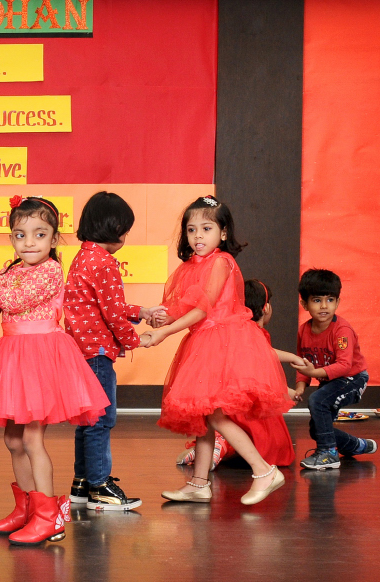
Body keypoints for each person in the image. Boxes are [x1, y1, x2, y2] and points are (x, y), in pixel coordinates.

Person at [0, 196, 110, 545]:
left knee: (31, 437)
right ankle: (27, 507)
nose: (29, 242)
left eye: (39, 234)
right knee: (13, 438)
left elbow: (12, 302)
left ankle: (50, 516)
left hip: (39, 357)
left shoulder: (51, 270)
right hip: (13, 355)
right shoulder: (12, 270)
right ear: (11, 237)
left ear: (54, 239)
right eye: (20, 234)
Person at [143, 196, 292, 506]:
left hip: (222, 342)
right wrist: (161, 316)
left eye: (207, 228)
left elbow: (203, 308)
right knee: (204, 414)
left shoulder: (222, 261)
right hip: (204, 342)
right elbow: (182, 305)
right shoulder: (191, 267)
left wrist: (164, 331)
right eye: (191, 229)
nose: (198, 236)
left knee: (213, 414)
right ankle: (199, 483)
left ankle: (264, 471)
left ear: (223, 233)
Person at [63, 191, 163, 511]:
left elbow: (106, 305)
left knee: (87, 420)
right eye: (124, 228)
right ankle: (100, 486)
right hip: (96, 355)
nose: (125, 236)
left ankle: (82, 482)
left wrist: (141, 311)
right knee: (101, 420)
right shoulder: (104, 261)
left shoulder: (83, 257)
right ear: (112, 227)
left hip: (79, 352)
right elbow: (112, 314)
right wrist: (137, 340)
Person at [175, 279, 299, 469]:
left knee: (224, 423)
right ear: (266, 308)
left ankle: (219, 445)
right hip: (245, 405)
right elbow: (257, 368)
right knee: (278, 450)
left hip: (227, 403)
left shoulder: (230, 332)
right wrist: (286, 387)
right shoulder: (252, 334)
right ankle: (224, 445)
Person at [293, 269, 376, 469]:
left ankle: (328, 453)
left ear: (337, 303)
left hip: (353, 379)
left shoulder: (341, 331)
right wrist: (300, 386)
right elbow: (303, 362)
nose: (324, 306)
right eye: (317, 300)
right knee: (317, 429)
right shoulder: (304, 330)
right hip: (332, 381)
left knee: (317, 400)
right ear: (304, 304)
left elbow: (345, 365)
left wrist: (313, 374)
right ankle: (358, 445)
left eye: (330, 300)